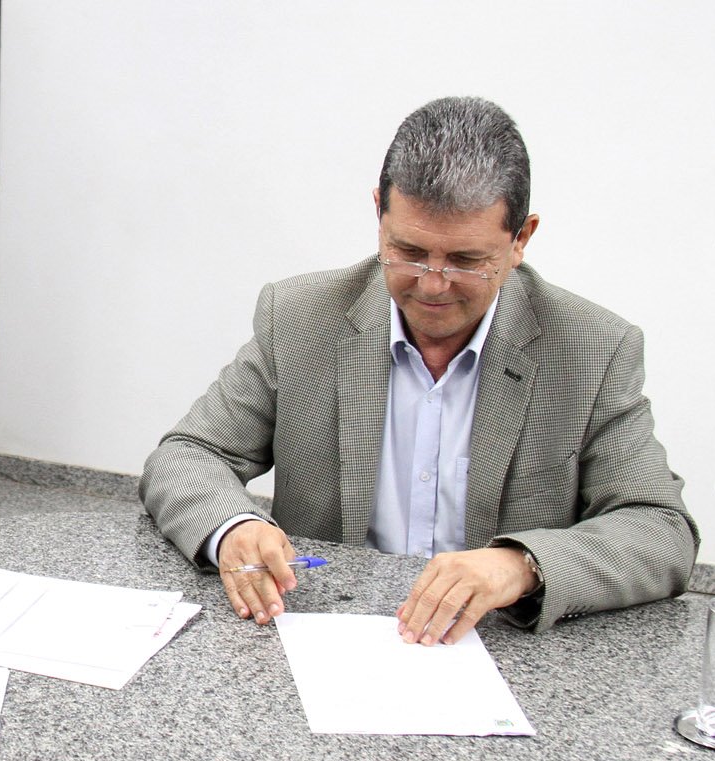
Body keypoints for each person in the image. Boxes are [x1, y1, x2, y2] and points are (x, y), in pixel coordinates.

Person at [140, 96, 698, 647]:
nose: (432, 284)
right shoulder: (300, 317)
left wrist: (522, 564)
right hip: (326, 637)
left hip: (499, 651)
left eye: (466, 261)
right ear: (378, 214)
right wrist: (234, 528)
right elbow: (188, 455)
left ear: (521, 240)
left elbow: (660, 529)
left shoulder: (593, 348)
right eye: (408, 250)